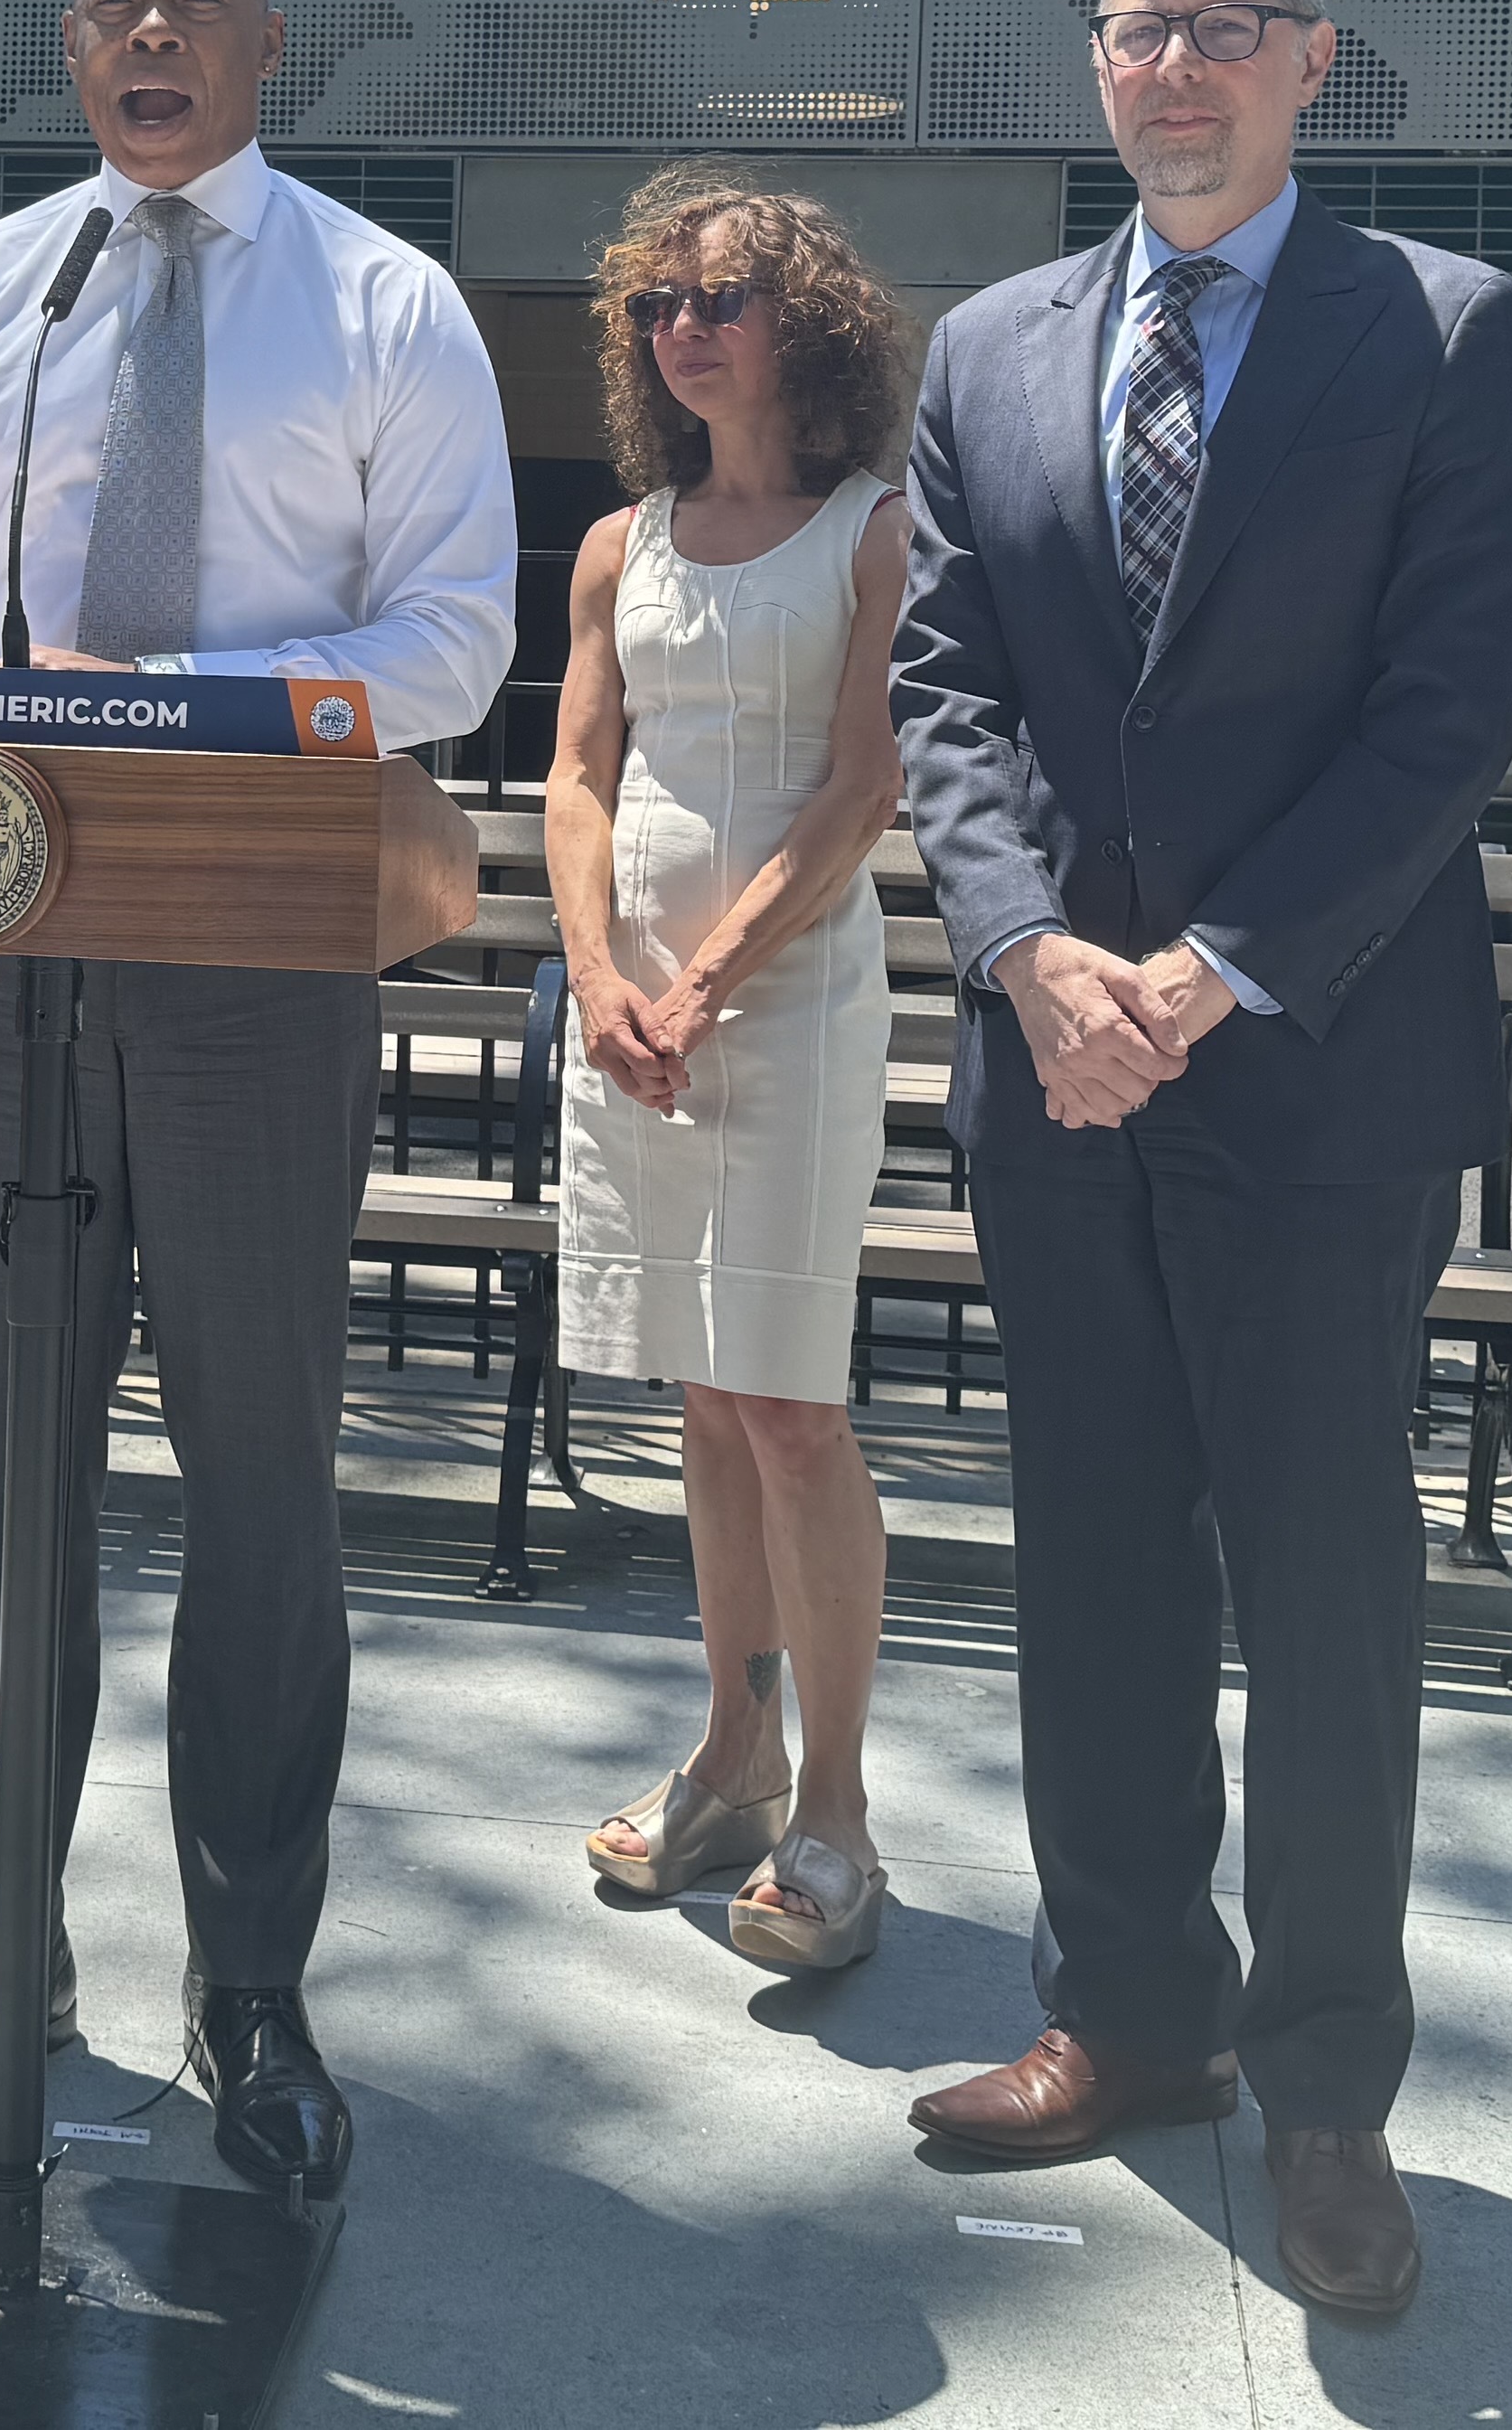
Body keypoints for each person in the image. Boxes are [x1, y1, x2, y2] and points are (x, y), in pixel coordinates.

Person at [890, 0, 1512, 2324]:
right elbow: (945, 697)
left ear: (1312, 53)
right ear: (1097, 59)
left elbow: (1446, 711)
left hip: (1316, 1069)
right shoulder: (989, 350)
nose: (1173, 66)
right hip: (1052, 1067)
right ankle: (1129, 2012)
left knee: (1324, 1584)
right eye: (1136, 28)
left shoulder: (1442, 336)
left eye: (1222, 23)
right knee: (1092, 1559)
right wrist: (1037, 953)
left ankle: (1328, 2094)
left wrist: (1214, 971)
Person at [0, 0, 516, 2201]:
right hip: (12, 944)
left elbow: (450, 639)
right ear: (68, 38)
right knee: (4, 1481)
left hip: (257, 961)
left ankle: (253, 1987)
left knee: (260, 1489)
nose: (148, 26)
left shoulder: (384, 304)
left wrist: (209, 722)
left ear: (266, 43)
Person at [548, 171, 916, 1976]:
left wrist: (700, 975)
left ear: (808, 327)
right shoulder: (622, 543)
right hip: (640, 1021)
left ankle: (838, 1812)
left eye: (722, 301)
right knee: (699, 1399)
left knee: (791, 1405)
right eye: (659, 307)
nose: (684, 328)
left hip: (791, 1002)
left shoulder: (874, 531)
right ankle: (733, 1752)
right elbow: (574, 780)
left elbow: (863, 789)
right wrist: (602, 973)